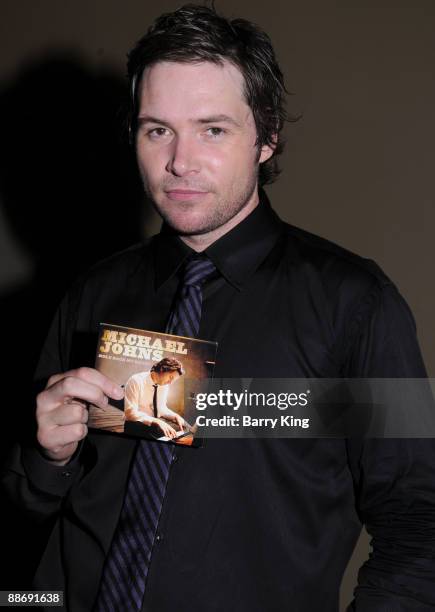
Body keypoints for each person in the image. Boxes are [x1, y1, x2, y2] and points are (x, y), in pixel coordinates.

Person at [2, 4, 435, 611]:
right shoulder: (92, 293)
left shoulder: (356, 304)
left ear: (267, 135)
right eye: (158, 130)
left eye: (212, 129)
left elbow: (419, 521)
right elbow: (25, 511)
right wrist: (48, 460)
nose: (179, 161)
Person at [123, 357, 185, 438]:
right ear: (162, 369)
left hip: (154, 424)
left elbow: (161, 408)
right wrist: (155, 421)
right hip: (135, 424)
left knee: (182, 429)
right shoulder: (136, 381)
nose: (170, 383)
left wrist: (174, 416)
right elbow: (130, 413)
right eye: (171, 377)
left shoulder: (164, 385)